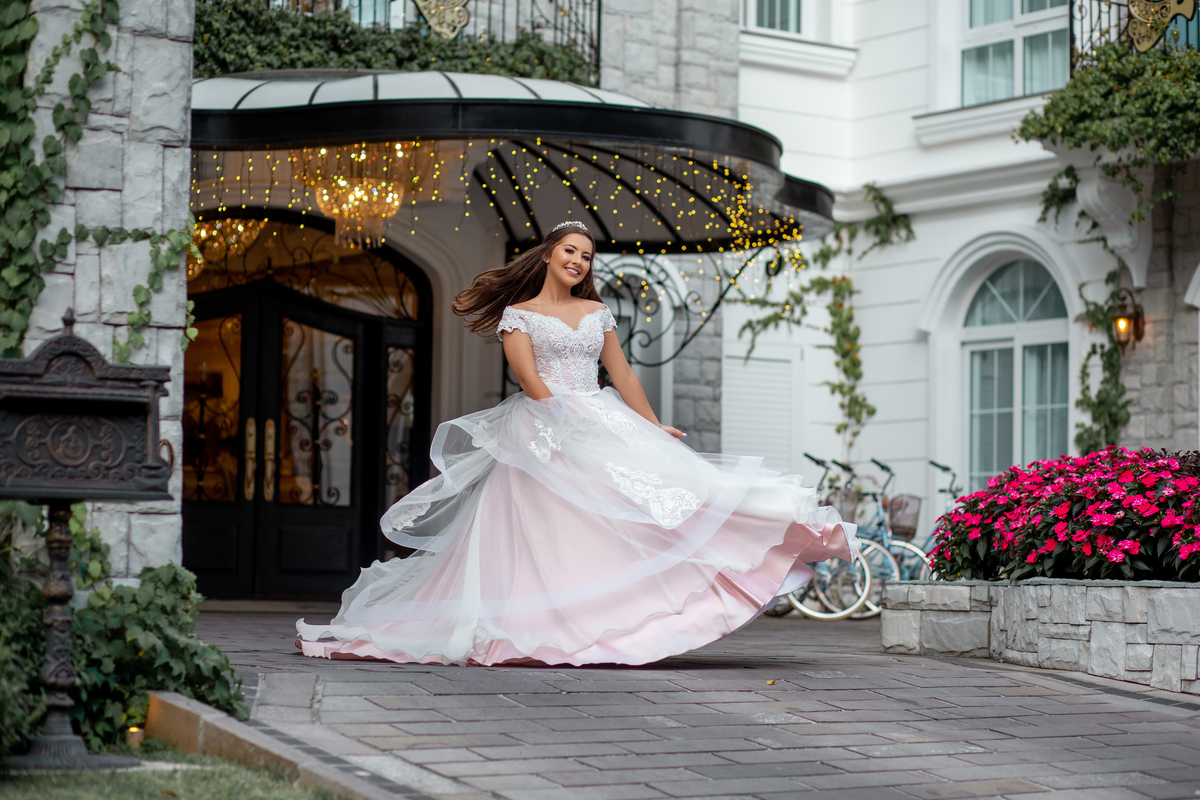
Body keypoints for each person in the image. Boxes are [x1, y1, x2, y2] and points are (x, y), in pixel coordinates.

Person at [296, 221, 858, 666]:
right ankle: (541, 624)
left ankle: (650, 603)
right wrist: (563, 423)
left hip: (599, 415)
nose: (578, 261)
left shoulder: (597, 312)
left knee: (658, 501)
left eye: (586, 256)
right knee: (551, 530)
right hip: (541, 427)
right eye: (569, 251)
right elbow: (529, 381)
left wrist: (651, 424)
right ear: (548, 255)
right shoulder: (520, 316)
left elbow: (625, 375)